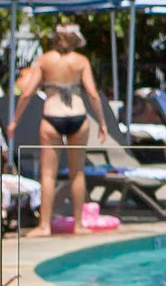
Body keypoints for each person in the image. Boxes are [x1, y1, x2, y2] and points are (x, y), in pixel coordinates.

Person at [17, 22, 103, 236]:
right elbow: (92, 93)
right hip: (78, 116)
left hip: (52, 117)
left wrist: (14, 120)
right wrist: (102, 122)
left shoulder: (45, 60)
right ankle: (79, 225)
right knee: (78, 173)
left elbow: (27, 92)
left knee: (48, 175)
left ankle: (44, 226)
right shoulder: (81, 61)